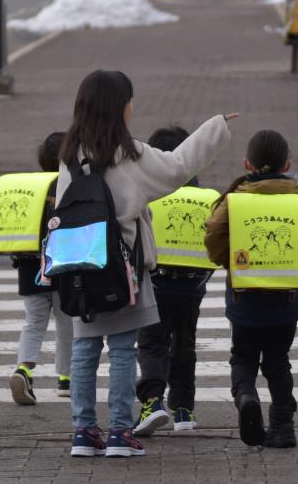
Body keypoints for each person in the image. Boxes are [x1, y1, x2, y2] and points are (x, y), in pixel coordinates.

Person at [57, 70, 233, 458]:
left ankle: (84, 432)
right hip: (122, 269)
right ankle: (120, 431)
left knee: (84, 349)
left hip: (77, 269)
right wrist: (215, 126)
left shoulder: (70, 156)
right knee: (122, 349)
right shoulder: (129, 154)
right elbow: (177, 167)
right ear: (120, 107)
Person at [204, 129, 298, 448]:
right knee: (278, 360)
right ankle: (283, 426)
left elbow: (214, 232)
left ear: (247, 163)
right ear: (288, 164)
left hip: (246, 298)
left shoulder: (235, 201)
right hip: (287, 299)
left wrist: (225, 259)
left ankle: (246, 397)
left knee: (243, 356)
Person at [134, 125, 218, 435]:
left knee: (152, 343)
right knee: (185, 345)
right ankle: (184, 410)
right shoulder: (205, 197)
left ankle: (152, 401)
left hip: (155, 285)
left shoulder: (149, 193)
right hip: (193, 286)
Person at [6, 132, 73, 404]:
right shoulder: (69, 186)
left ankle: (24, 369)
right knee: (66, 323)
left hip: (28, 266)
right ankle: (66, 379)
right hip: (62, 266)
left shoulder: (28, 188)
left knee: (33, 323)